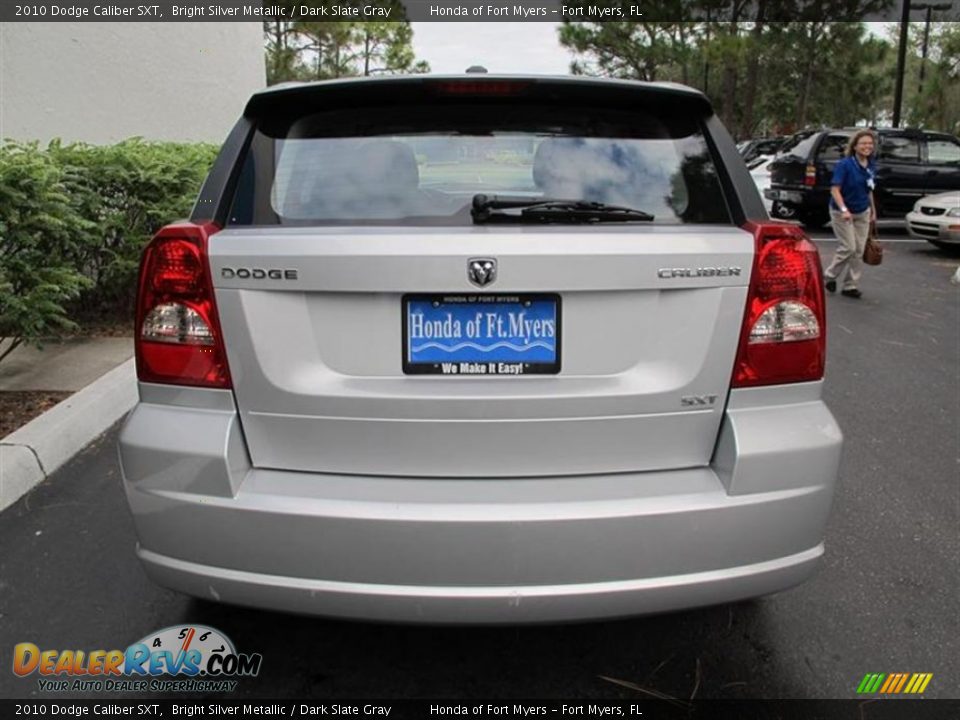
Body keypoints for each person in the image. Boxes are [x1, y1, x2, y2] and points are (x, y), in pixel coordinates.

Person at [823, 130, 878, 299]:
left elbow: (869, 189)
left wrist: (873, 210)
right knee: (849, 247)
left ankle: (850, 285)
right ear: (855, 146)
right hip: (842, 212)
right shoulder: (845, 165)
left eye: (870, 143)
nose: (867, 146)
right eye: (863, 143)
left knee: (859, 250)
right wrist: (844, 210)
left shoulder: (870, 165)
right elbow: (835, 189)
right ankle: (829, 276)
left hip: (862, 211)